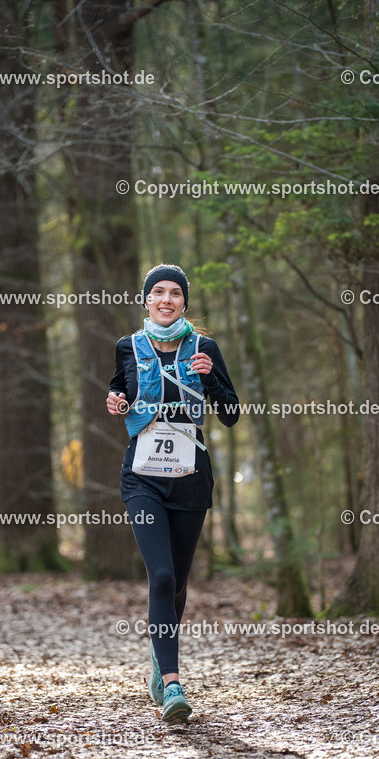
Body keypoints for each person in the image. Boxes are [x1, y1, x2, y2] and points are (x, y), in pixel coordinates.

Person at [106, 264, 239, 725]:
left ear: (185, 302)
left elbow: (231, 413)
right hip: (142, 475)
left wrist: (213, 378)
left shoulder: (204, 347)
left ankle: (157, 662)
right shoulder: (129, 346)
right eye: (157, 292)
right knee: (160, 577)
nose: (166, 299)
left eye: (175, 293)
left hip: (189, 476)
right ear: (146, 300)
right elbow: (119, 387)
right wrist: (116, 400)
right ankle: (173, 684)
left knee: (179, 584)